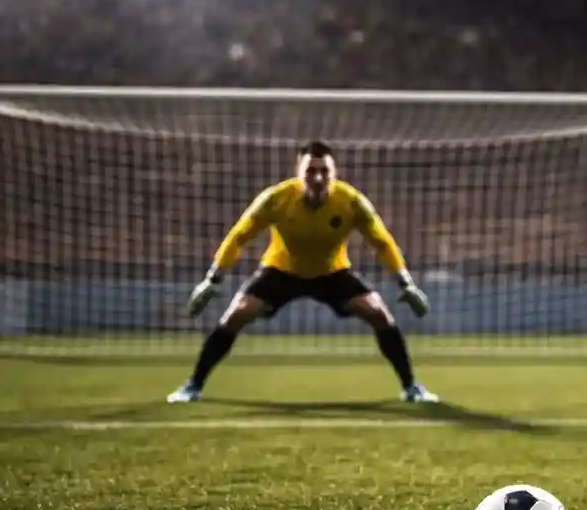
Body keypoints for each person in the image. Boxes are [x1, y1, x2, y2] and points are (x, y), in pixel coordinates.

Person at [167, 140, 439, 404]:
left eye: (324, 171)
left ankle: (411, 387)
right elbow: (239, 236)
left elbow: (382, 243)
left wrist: (406, 284)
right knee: (235, 315)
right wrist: (213, 279)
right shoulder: (276, 199)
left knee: (379, 313)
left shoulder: (352, 202)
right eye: (311, 170)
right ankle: (193, 386)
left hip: (332, 273)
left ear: (334, 174)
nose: (318, 177)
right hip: (280, 271)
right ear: (299, 173)